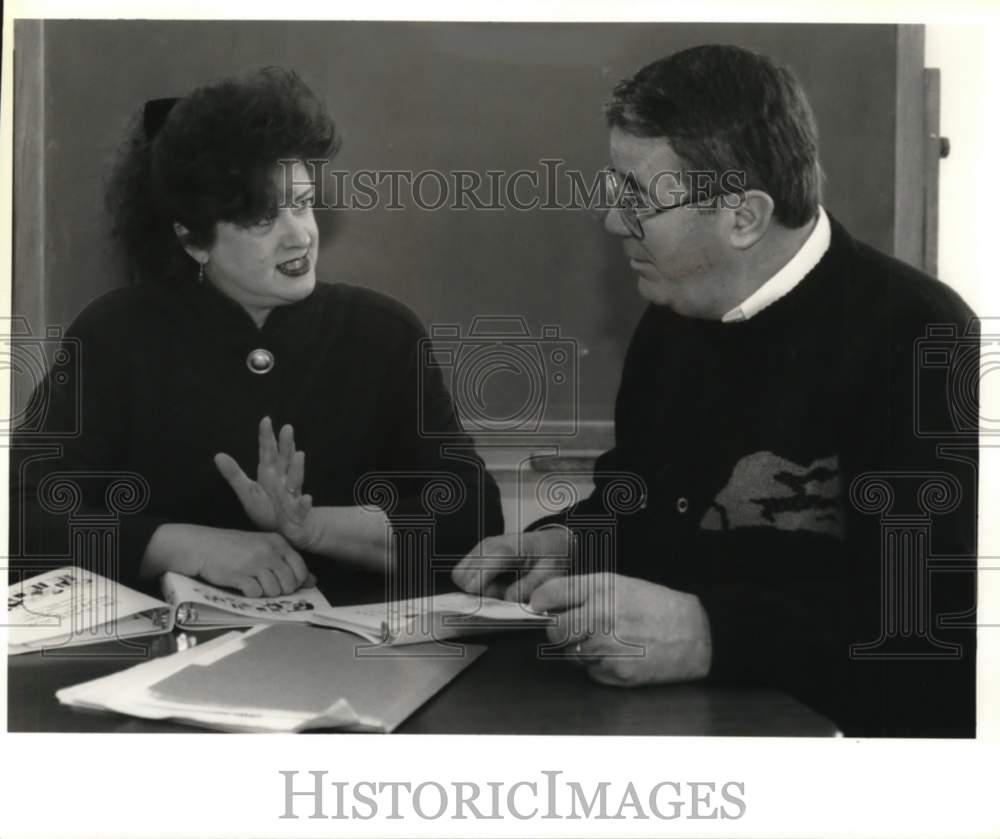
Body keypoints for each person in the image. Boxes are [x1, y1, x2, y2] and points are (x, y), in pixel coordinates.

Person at [452, 44, 978, 737]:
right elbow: (636, 504)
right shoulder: (671, 320)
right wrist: (572, 544)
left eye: (637, 195)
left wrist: (708, 632)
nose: (614, 220)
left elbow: (933, 631)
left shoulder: (922, 338)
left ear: (743, 217)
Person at [11, 67, 503, 600]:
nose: (299, 237)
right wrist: (184, 546)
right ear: (193, 240)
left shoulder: (383, 334)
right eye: (261, 220)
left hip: (346, 661)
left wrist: (311, 528)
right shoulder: (114, 334)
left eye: (301, 204)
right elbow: (22, 519)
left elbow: (473, 520)